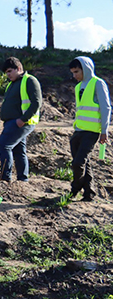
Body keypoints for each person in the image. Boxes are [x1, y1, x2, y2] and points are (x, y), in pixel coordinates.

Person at [69, 56, 111, 201]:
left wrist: (104, 131)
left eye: (76, 72)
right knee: (84, 163)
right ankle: (89, 193)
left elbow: (106, 108)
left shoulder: (98, 83)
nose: (74, 76)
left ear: (85, 69)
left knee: (78, 163)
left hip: (92, 132)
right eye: (72, 73)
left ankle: (75, 188)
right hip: (78, 131)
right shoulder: (78, 87)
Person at [0, 57, 41, 183]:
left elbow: (37, 102)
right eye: (6, 72)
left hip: (20, 122)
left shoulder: (29, 80)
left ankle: (5, 178)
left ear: (19, 68)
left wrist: (23, 119)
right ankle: (22, 179)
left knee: (3, 145)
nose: (8, 74)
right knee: (19, 150)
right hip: (13, 122)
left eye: (10, 71)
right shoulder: (12, 84)